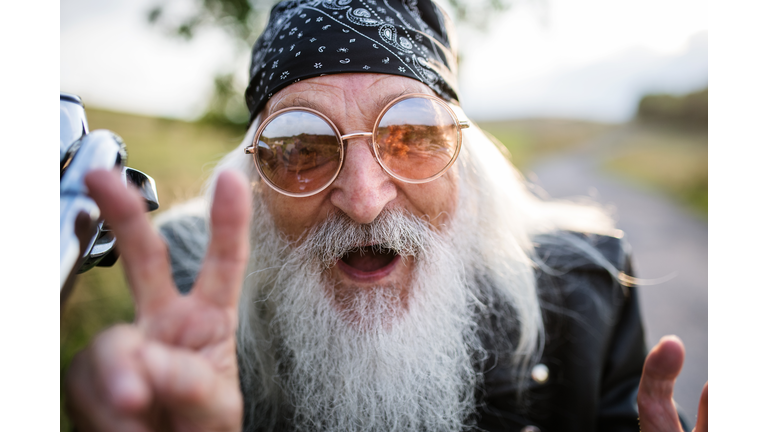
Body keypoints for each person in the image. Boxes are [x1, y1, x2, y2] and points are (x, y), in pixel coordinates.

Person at [65, 1, 708, 431]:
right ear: (256, 186)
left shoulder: (586, 286)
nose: (365, 200)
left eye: (411, 135)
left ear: (465, 165)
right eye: (302, 150)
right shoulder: (197, 295)